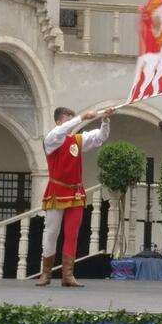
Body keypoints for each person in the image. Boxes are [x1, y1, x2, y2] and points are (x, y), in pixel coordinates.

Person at [38, 106, 113, 287]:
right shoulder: (51, 140)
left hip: (75, 192)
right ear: (58, 121)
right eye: (66, 119)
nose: (69, 123)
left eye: (71, 119)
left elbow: (100, 137)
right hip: (57, 190)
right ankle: (46, 274)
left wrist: (105, 120)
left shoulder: (77, 140)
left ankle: (68, 276)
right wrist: (81, 117)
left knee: (72, 234)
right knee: (51, 233)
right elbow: (60, 131)